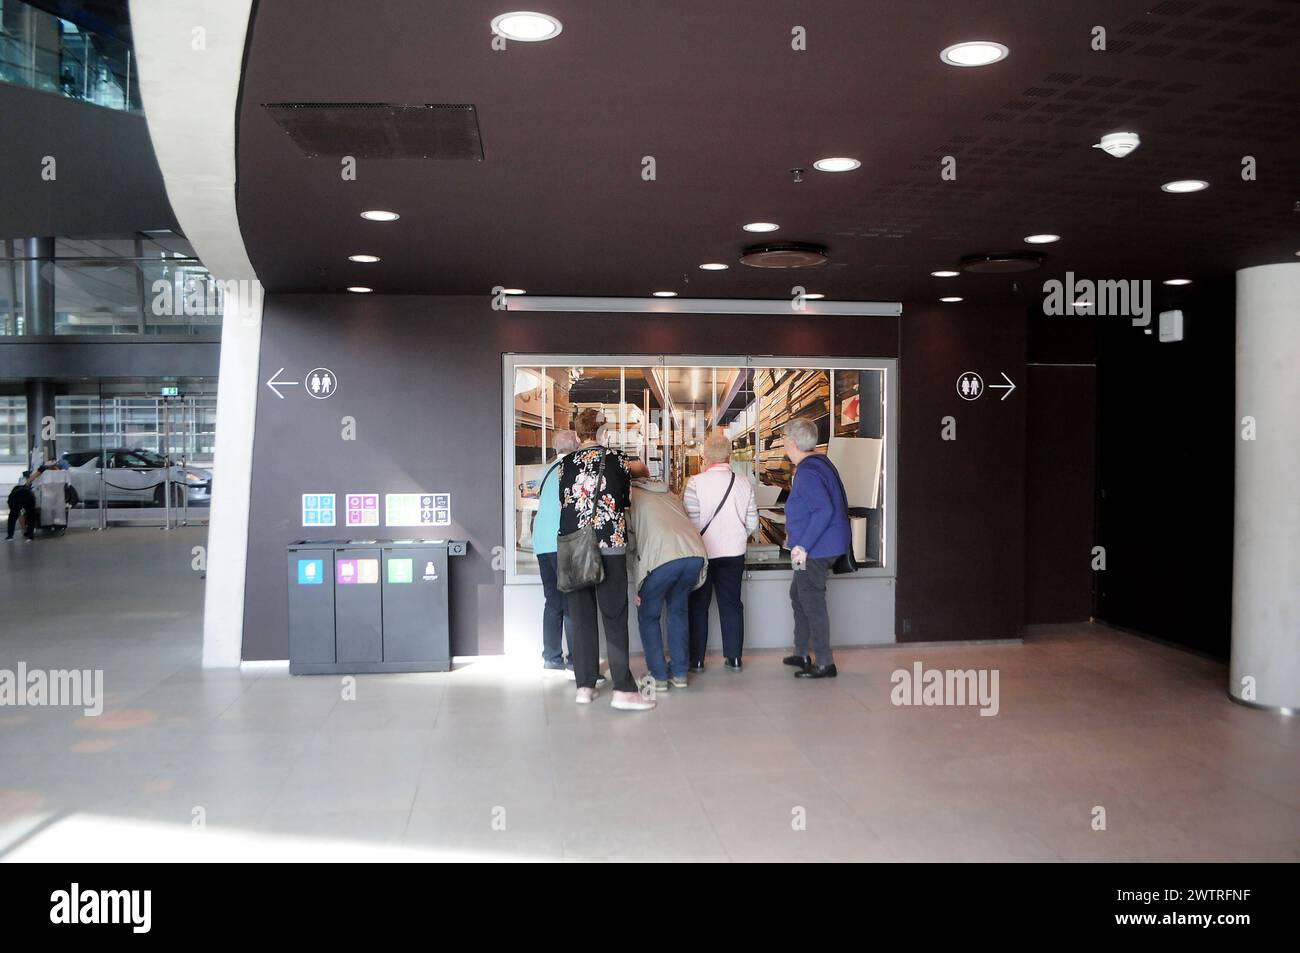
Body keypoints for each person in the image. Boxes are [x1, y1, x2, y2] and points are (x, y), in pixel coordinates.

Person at [559, 408, 652, 709]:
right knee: (613, 616)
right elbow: (624, 501)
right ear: (603, 432)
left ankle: (584, 686)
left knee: (581, 616)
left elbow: (566, 500)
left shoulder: (566, 464)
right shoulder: (617, 460)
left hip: (575, 546)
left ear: (577, 434)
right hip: (609, 544)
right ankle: (623, 689)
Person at [780, 417, 851, 679]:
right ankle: (800, 653)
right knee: (798, 595)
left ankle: (824, 662)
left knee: (812, 603)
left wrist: (803, 545)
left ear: (792, 442)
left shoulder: (808, 472)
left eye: (785, 439)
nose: (784, 444)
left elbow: (823, 510)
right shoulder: (819, 464)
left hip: (815, 550)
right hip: (817, 545)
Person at [684, 432, 758, 672]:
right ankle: (734, 657)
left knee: (698, 605)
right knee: (732, 604)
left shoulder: (695, 483)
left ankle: (696, 660)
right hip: (733, 553)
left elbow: (690, 522)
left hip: (703, 553)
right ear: (730, 456)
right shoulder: (744, 483)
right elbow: (752, 522)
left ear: (704, 456)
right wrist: (736, 535)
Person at [627, 479, 707, 692]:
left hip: (662, 558)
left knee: (648, 615)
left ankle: (659, 676)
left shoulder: (631, 497)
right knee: (678, 612)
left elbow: (633, 548)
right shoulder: (669, 494)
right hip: (694, 554)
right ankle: (680, 673)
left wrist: (638, 588)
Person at [532, 430, 580, 675]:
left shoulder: (547, 470)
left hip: (542, 542)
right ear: (576, 445)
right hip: (563, 540)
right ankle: (575, 660)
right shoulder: (573, 469)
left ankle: (551, 657)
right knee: (572, 602)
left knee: (553, 601)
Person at [6, 471, 38, 541]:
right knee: (31, 516)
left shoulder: (20, 481)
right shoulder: (30, 481)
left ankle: (10, 536)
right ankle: (30, 536)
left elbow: (18, 514)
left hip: (15, 497)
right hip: (27, 496)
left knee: (12, 517)